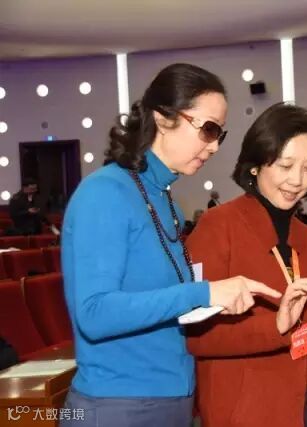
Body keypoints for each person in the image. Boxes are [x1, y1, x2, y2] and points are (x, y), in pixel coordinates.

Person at [60, 63, 281, 427]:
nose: (214, 146)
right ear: (163, 119)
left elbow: (164, 303)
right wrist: (204, 294)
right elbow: (94, 314)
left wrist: (216, 301)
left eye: (220, 134)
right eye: (208, 129)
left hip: (171, 399)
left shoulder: (165, 200)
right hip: (117, 404)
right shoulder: (104, 193)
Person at [186, 102, 307, 427]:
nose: (297, 180)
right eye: (285, 166)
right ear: (256, 165)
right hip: (245, 411)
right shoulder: (217, 227)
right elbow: (196, 336)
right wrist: (276, 325)